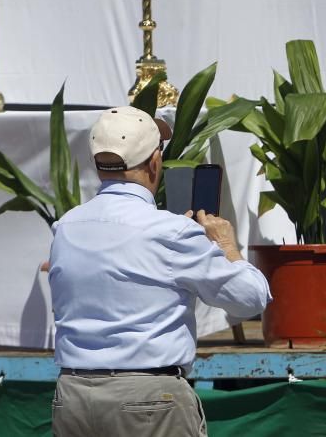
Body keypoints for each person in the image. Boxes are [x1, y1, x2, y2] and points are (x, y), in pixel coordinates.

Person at [48, 106, 271, 436]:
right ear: (155, 162)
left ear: (98, 165)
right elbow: (250, 299)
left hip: (74, 395)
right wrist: (227, 245)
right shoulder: (172, 231)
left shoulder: (66, 227)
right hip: (148, 397)